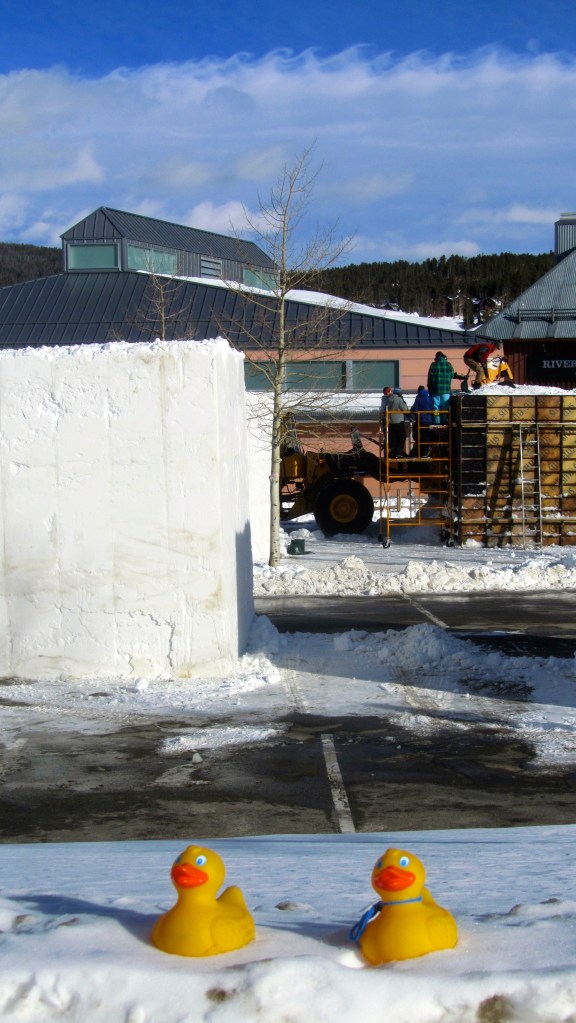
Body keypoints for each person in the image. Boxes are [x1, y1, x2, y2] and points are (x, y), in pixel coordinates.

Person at [380, 386, 409, 458]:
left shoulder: (386, 399)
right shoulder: (398, 399)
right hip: (399, 421)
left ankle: (391, 453)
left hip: (389, 422)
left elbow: (383, 409)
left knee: (392, 438)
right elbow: (405, 409)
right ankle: (398, 453)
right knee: (402, 437)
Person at [409, 385, 434, 456]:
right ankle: (425, 449)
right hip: (429, 420)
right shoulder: (430, 397)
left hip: (421, 419)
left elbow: (414, 408)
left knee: (416, 432)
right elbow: (434, 408)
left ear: (418, 391)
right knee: (426, 434)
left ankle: (423, 448)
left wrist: (412, 411)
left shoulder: (419, 398)